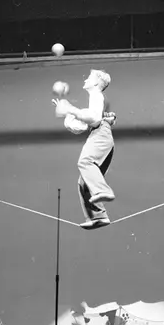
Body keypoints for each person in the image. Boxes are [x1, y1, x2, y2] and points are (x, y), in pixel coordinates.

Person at [52, 69, 116, 229]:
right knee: (83, 182)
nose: (85, 80)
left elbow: (94, 119)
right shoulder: (96, 99)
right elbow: (80, 126)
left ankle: (103, 190)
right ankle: (99, 216)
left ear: (96, 82)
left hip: (100, 135)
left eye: (89, 77)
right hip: (102, 137)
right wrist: (68, 113)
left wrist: (70, 109)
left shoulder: (96, 95)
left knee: (85, 162)